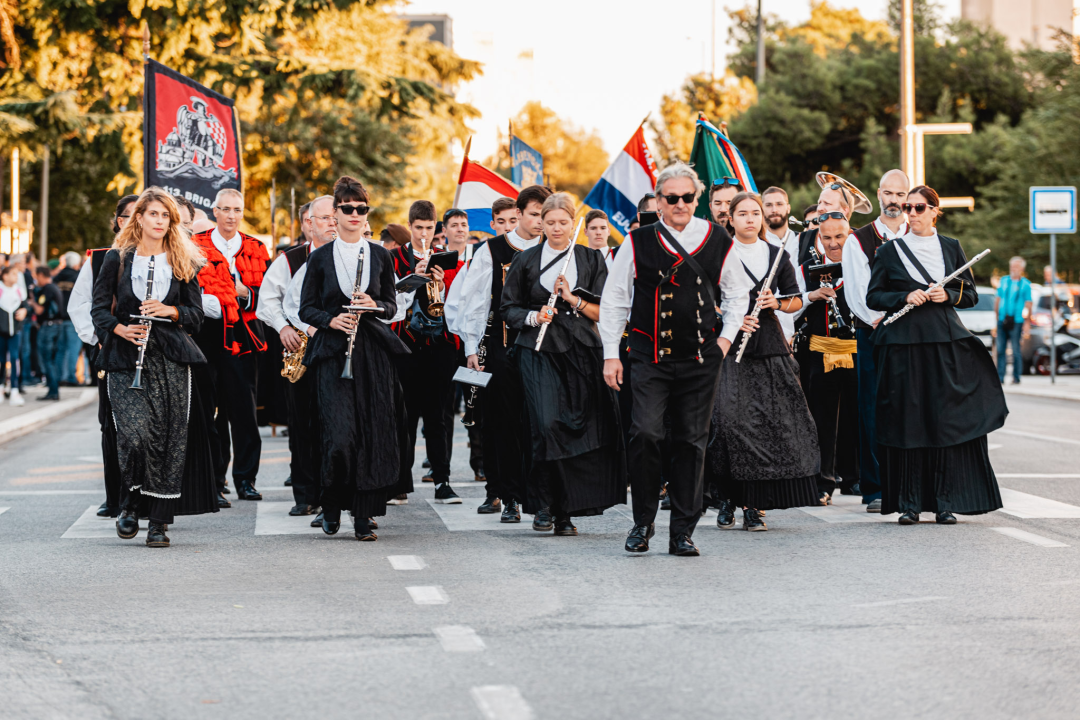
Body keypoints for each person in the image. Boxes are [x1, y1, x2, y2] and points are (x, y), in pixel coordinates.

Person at [600, 162, 752, 556]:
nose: (680, 204)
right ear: (659, 201)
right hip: (648, 357)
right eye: (672, 198)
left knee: (691, 442)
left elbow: (738, 295)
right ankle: (642, 522)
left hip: (701, 360)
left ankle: (682, 531)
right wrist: (611, 355)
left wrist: (723, 341)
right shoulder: (637, 241)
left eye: (688, 197)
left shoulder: (717, 239)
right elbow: (615, 300)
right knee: (646, 433)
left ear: (696, 199)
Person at [867, 186, 1007, 524]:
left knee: (945, 421)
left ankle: (947, 501)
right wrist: (905, 297)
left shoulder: (951, 247)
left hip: (944, 342)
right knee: (909, 423)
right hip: (903, 345)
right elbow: (874, 296)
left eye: (918, 208)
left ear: (934, 211)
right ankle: (910, 503)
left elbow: (970, 294)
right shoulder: (889, 251)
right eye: (906, 208)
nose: (911, 213)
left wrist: (948, 295)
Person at [90, 187, 218, 547]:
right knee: (134, 435)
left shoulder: (184, 260)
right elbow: (99, 309)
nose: (159, 221)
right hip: (125, 354)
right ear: (139, 218)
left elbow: (195, 315)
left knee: (169, 439)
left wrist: (170, 311)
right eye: (153, 215)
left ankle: (159, 522)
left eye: (165, 216)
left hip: (172, 357)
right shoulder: (116, 258)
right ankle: (130, 500)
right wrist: (119, 328)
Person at [501, 193, 624, 535]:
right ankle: (543, 503)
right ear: (541, 223)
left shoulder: (591, 259)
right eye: (549, 222)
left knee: (577, 427)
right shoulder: (526, 261)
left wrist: (573, 299)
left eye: (563, 222)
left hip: (581, 352)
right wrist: (532, 316)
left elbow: (605, 312)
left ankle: (565, 509)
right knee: (546, 424)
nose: (556, 228)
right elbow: (507, 309)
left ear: (574, 223)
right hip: (537, 351)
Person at [298, 176, 409, 541]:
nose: (356, 214)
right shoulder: (319, 258)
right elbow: (306, 308)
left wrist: (374, 306)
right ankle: (331, 503)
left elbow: (393, 305)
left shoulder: (380, 254)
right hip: (332, 353)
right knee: (340, 436)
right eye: (348, 209)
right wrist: (331, 319)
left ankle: (363, 515)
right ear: (336, 213)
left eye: (362, 209)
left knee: (370, 434)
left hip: (373, 354)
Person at [707, 192, 819, 532]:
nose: (751, 219)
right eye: (743, 214)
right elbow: (705, 299)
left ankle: (755, 505)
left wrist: (776, 303)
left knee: (767, 426)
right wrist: (731, 317)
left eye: (755, 213)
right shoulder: (719, 255)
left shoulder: (777, 255)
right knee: (728, 424)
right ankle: (728, 497)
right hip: (732, 348)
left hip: (769, 347)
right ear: (731, 218)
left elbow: (796, 299)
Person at [459, 185, 553, 520]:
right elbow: (475, 300)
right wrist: (471, 347)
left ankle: (541, 493)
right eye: (534, 214)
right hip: (504, 347)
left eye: (545, 215)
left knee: (542, 422)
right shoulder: (494, 249)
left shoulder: (555, 248)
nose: (540, 222)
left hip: (548, 349)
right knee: (504, 423)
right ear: (521, 212)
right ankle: (507, 494)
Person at [191, 188, 270, 502]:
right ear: (214, 211)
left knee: (244, 411)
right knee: (210, 411)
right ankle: (215, 479)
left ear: (242, 211)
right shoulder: (195, 245)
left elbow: (269, 296)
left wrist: (242, 293)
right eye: (225, 209)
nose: (231, 215)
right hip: (206, 335)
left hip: (244, 336)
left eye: (236, 209)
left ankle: (246, 479)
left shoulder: (256, 247)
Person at [842, 169, 910, 513]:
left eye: (901, 194)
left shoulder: (921, 233)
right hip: (874, 331)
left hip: (912, 335)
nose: (894, 201)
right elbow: (856, 292)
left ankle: (909, 484)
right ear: (879, 194)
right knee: (872, 406)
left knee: (910, 407)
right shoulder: (860, 239)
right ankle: (876, 487)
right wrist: (878, 320)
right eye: (889, 193)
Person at [67, 194, 138, 517]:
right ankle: (115, 498)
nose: (132, 222)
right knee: (111, 426)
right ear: (117, 221)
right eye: (126, 216)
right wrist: (100, 338)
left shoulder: (164, 255)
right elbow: (79, 305)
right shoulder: (99, 259)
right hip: (111, 350)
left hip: (152, 352)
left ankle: (149, 497)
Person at [387, 200, 461, 505]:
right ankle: (400, 482)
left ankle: (442, 480)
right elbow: (388, 299)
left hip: (438, 346)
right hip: (406, 344)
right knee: (404, 415)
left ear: (436, 229)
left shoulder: (447, 260)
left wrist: (440, 286)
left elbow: (457, 302)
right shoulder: (393, 258)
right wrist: (413, 279)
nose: (424, 235)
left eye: (429, 229)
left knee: (438, 415)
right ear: (410, 227)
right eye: (418, 229)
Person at [258, 196, 329, 516]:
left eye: (333, 217)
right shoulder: (290, 260)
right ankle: (305, 494)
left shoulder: (348, 255)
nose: (331, 223)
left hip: (336, 349)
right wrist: (283, 327)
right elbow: (266, 301)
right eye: (323, 218)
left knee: (334, 424)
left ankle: (332, 492)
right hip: (299, 350)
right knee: (301, 423)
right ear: (309, 224)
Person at [798, 213, 860, 503]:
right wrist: (811, 295)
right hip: (820, 349)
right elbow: (792, 304)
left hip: (856, 349)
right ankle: (823, 482)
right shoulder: (806, 266)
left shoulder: (862, 262)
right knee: (821, 419)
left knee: (857, 416)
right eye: (827, 237)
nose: (834, 243)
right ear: (818, 237)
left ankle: (856, 478)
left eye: (840, 236)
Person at [440, 207, 484, 483]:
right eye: (454, 224)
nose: (459, 228)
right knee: (444, 407)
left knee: (475, 401)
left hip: (470, 345)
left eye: (463, 224)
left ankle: (479, 461)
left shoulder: (479, 258)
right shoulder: (438, 260)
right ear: (444, 230)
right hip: (445, 343)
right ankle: (439, 464)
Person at [762, 186, 800, 341]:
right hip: (767, 325)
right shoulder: (758, 244)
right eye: (768, 205)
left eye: (779, 204)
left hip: (803, 321)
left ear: (788, 207)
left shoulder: (802, 241)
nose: (774, 209)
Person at [995, 256, 1032, 384]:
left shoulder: (1026, 284)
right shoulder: (1004, 280)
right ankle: (1000, 377)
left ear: (1022, 268)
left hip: (1017, 320)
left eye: (1016, 266)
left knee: (1015, 350)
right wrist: (996, 319)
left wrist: (1027, 322)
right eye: (1012, 266)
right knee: (1000, 350)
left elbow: (1028, 304)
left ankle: (1016, 377)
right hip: (1002, 319)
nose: (1013, 269)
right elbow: (998, 300)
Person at [53, 251, 83, 385]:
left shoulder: (56, 278)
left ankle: (59, 377)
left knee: (60, 349)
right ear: (76, 263)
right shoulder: (78, 277)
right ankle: (71, 377)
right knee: (73, 349)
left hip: (58, 318)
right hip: (73, 319)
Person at [0, 265, 28, 406]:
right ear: (4, 276)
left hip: (15, 331)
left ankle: (14, 389)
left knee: (15, 358)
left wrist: (24, 311)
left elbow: (25, 306)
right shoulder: (0, 289)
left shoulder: (19, 291)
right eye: (12, 274)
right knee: (1, 360)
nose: (15, 277)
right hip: (1, 331)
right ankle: (1, 386)